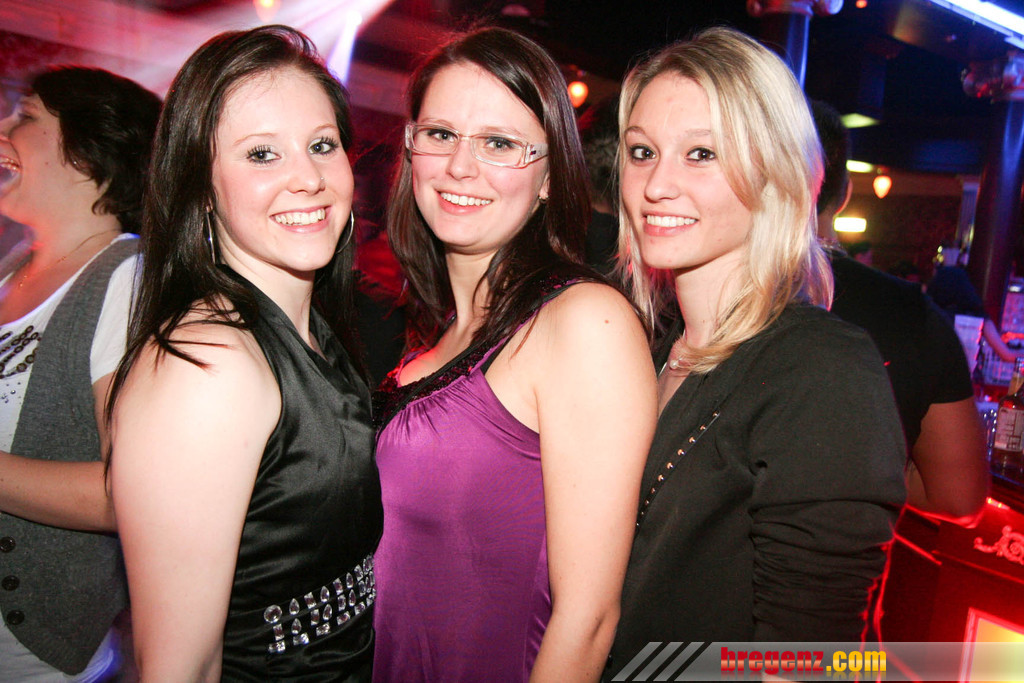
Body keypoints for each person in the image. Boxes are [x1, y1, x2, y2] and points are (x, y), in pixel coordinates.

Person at [607, 27, 907, 665]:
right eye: (642, 151)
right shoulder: (649, 350)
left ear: (774, 174)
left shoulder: (822, 368)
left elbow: (807, 662)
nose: (656, 184)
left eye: (701, 154)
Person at [372, 27, 657, 682]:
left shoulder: (583, 322)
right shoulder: (439, 334)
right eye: (440, 134)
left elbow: (588, 619)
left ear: (552, 176)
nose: (460, 166)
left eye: (499, 143)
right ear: (411, 150)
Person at [107, 26, 382, 681]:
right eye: (262, 154)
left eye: (322, 145)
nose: (308, 178)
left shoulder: (312, 333)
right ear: (200, 187)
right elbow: (181, 667)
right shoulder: (209, 366)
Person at [0, 66, 159, 680]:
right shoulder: (14, 267)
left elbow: (130, 494)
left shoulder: (126, 278)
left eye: (26, 116)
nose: (4, 126)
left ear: (86, 155)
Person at [812, 100, 987, 521]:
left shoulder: (696, 292)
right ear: (845, 193)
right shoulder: (910, 314)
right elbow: (959, 497)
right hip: (843, 557)